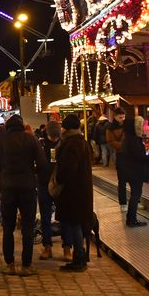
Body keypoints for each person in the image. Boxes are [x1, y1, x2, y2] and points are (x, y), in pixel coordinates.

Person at [0, 114, 46, 276]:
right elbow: (42, 163)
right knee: (27, 228)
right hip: (28, 187)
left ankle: (9, 264)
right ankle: (26, 265)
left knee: (8, 227)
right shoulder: (31, 139)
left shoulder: (1, 141)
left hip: (8, 187)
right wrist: (32, 173)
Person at [54, 114, 93, 272]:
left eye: (63, 126)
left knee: (74, 224)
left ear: (67, 128)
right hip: (81, 190)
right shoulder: (81, 142)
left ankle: (79, 258)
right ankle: (80, 256)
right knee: (76, 223)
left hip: (73, 191)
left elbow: (68, 169)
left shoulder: (71, 144)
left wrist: (58, 178)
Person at [118, 107, 149, 228]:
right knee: (136, 194)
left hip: (130, 170)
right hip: (135, 171)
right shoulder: (134, 140)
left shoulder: (128, 138)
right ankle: (132, 219)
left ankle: (131, 218)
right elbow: (139, 156)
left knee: (135, 194)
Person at [37, 120, 64, 260]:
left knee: (64, 216)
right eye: (53, 137)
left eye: (56, 137)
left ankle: (67, 247)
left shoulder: (63, 143)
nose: (54, 139)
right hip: (43, 183)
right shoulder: (40, 144)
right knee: (45, 216)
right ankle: (47, 246)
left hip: (59, 185)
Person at [105, 107, 127, 210]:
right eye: (120, 117)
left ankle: (135, 200)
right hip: (121, 154)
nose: (122, 119)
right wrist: (123, 146)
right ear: (115, 117)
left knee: (133, 179)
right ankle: (123, 203)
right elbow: (111, 141)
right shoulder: (110, 128)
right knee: (122, 180)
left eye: (123, 117)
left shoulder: (128, 125)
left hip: (129, 155)